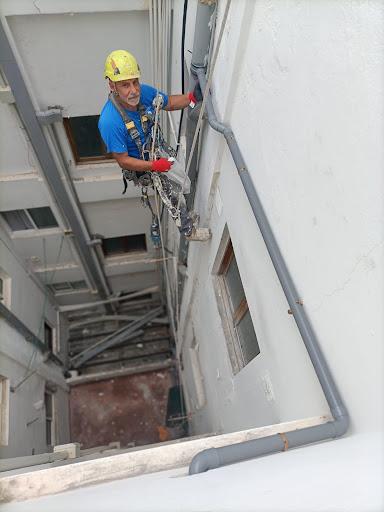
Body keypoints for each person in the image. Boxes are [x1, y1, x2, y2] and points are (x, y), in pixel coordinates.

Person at [98, 50, 211, 242]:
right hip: (146, 167)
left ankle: (186, 212)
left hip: (157, 149)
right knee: (172, 193)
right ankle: (189, 232)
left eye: (135, 82)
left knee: (182, 181)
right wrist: (154, 167)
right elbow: (123, 161)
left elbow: (169, 102)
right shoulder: (110, 121)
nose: (133, 90)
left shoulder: (144, 94)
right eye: (125, 85)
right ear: (112, 85)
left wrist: (192, 97)